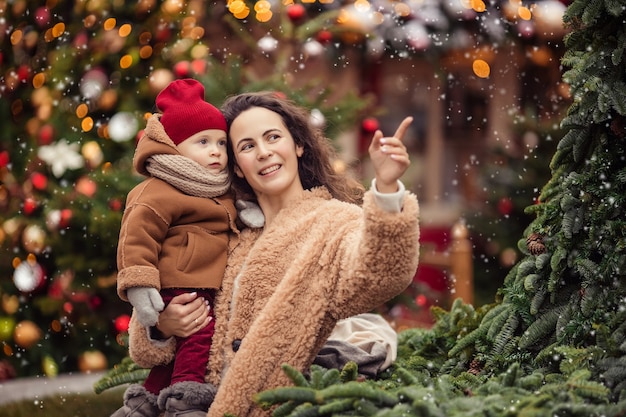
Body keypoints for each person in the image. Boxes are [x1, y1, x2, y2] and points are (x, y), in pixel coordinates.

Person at [127, 91, 421, 417]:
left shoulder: (334, 222)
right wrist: (162, 326)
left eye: (272, 137)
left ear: (298, 145)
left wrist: (388, 189)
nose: (264, 152)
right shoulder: (223, 227)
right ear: (237, 167)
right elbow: (157, 321)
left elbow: (380, 273)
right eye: (247, 146)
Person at [112, 79, 239, 417]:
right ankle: (186, 401)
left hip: (201, 279)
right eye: (203, 142)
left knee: (185, 344)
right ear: (174, 147)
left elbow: (231, 216)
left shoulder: (218, 189)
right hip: (179, 282)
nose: (216, 151)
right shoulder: (158, 190)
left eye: (221, 143)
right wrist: (140, 285)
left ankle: (143, 404)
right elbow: (137, 238)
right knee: (199, 336)